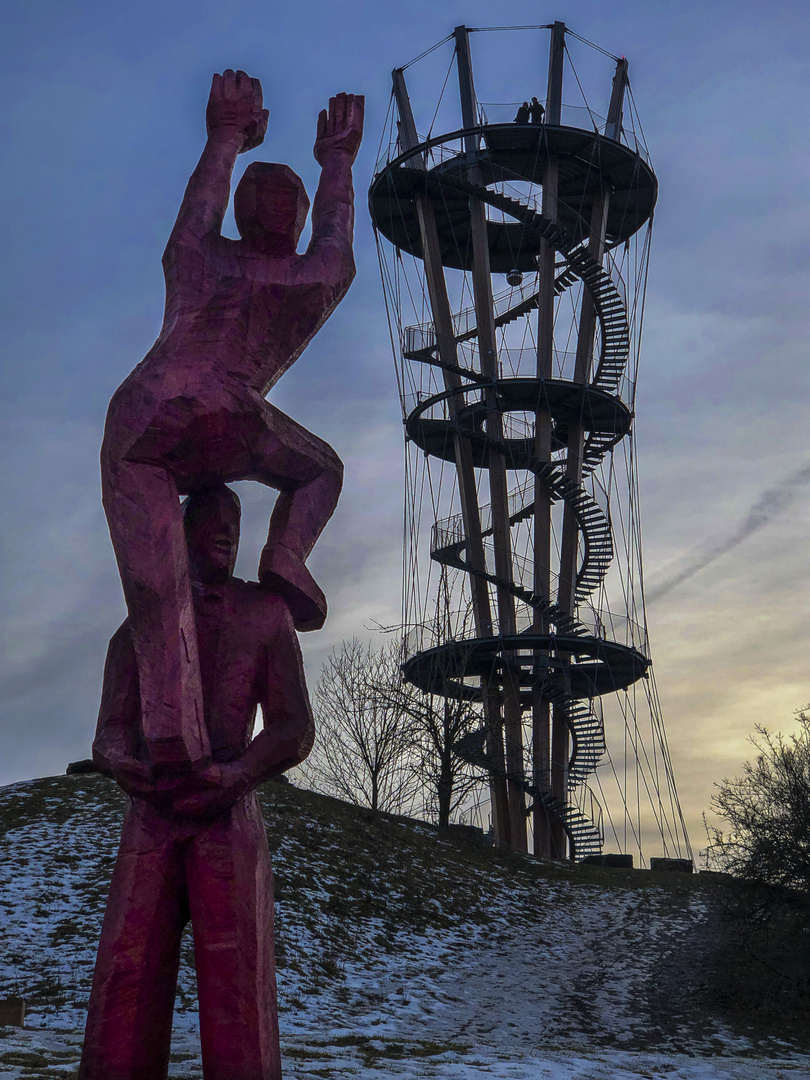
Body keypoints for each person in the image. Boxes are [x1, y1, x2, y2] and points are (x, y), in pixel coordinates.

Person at [99, 71, 363, 778]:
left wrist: (225, 136)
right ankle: (287, 554)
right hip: (230, 415)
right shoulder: (307, 279)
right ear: (293, 220)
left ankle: (171, 743)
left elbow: (198, 208)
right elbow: (336, 237)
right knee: (320, 469)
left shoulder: (202, 259)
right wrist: (337, 162)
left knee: (161, 597)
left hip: (144, 420)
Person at [80, 484, 315, 1080]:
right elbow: (108, 732)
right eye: (210, 517)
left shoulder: (266, 614)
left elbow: (293, 727)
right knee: (127, 973)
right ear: (180, 532)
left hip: (227, 818)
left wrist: (238, 774)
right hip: (152, 819)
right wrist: (126, 763)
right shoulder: (143, 621)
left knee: (239, 987)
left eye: (234, 519)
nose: (226, 530)